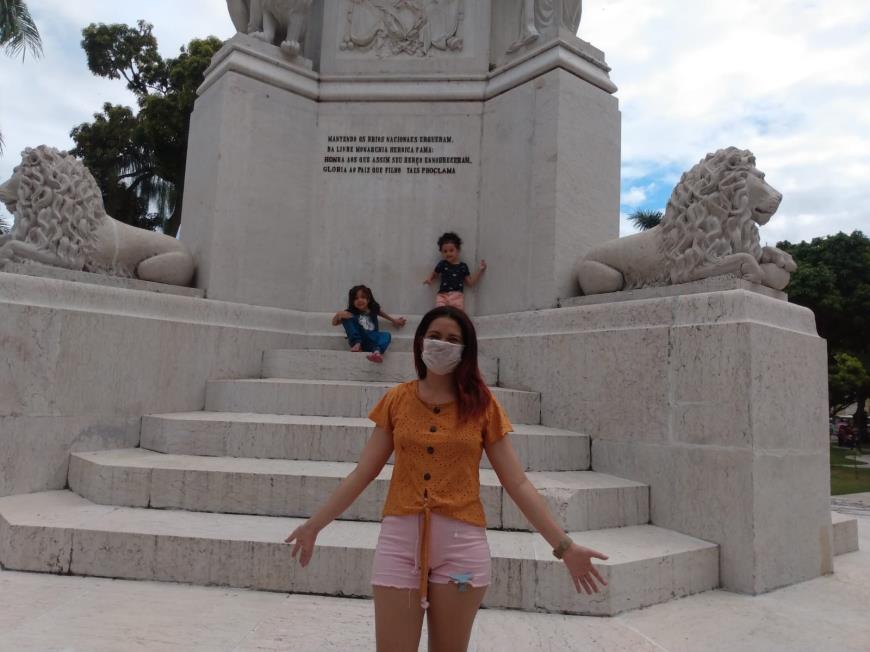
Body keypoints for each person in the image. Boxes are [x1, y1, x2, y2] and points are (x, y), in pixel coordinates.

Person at [286, 306, 608, 652]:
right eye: (435, 336)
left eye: (453, 340)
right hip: (399, 543)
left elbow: (517, 483)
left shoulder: (483, 406)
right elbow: (364, 471)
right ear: (421, 341)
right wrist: (315, 525)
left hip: (461, 547)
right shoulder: (396, 399)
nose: (443, 344)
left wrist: (564, 546)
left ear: (466, 350)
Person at [332, 284, 406, 363]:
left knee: (386, 335)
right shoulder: (351, 313)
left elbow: (381, 313)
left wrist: (394, 320)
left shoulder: (373, 309)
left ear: (368, 299)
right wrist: (338, 315)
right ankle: (357, 344)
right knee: (345, 316)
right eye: (356, 298)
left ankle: (376, 352)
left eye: (363, 297)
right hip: (359, 339)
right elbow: (334, 323)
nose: (360, 300)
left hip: (372, 339)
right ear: (352, 301)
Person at [423, 232, 486, 310]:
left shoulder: (463, 266)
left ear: (458, 250)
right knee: (440, 312)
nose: (448, 253)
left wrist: (480, 270)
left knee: (456, 314)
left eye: (451, 250)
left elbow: (470, 282)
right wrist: (430, 279)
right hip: (442, 295)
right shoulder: (442, 264)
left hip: (457, 296)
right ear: (441, 252)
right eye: (445, 251)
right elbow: (435, 274)